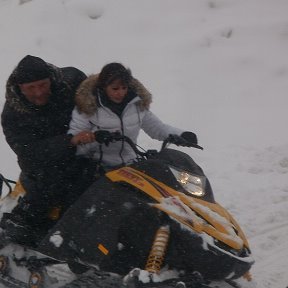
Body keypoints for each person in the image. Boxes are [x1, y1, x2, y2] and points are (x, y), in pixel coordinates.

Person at [0, 55, 97, 247]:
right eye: (31, 88)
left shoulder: (71, 81)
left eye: (42, 85)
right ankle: (23, 220)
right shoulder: (13, 114)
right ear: (20, 88)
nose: (38, 93)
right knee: (61, 178)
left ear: (51, 80)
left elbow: (104, 92)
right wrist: (69, 141)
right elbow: (29, 152)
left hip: (87, 150)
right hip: (42, 164)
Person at [68, 62, 198, 169]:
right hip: (98, 166)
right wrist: (95, 138)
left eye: (124, 88)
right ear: (103, 87)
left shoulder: (136, 105)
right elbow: (74, 141)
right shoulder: (88, 107)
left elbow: (157, 128)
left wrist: (181, 135)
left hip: (130, 165)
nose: (120, 93)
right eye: (115, 89)